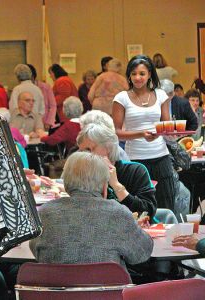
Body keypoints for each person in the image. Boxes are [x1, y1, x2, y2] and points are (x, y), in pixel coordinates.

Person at [29, 151, 153, 271]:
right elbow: (141, 253)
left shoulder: (44, 213)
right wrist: (135, 228)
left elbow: (36, 250)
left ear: (66, 186)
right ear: (105, 186)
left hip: (54, 290)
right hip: (106, 290)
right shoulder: (118, 213)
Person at [113, 54, 177, 212]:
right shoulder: (122, 98)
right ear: (129, 75)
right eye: (133, 73)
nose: (137, 77)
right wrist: (141, 134)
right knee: (138, 209)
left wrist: (173, 132)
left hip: (161, 157)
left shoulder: (161, 95)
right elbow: (116, 132)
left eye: (142, 73)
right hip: (135, 160)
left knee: (166, 204)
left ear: (149, 74)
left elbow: (166, 126)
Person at [77, 123, 157, 218]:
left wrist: (115, 184)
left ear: (109, 148)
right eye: (82, 152)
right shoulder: (85, 173)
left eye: (89, 150)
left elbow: (148, 211)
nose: (84, 156)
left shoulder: (135, 170)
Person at [27, 64, 57, 129]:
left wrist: (49, 122)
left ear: (32, 76)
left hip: (44, 123)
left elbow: (53, 106)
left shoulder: (45, 87)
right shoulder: (22, 89)